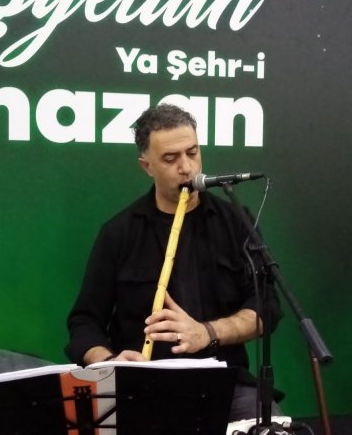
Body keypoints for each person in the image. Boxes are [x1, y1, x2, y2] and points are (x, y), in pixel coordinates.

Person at [65, 103, 282, 421]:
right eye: (170, 159)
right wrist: (110, 362)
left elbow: (267, 308)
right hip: (140, 387)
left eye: (192, 153)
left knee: (271, 424)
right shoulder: (119, 232)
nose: (187, 168)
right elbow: (84, 322)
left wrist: (207, 332)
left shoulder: (236, 221)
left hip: (225, 384)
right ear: (147, 166)